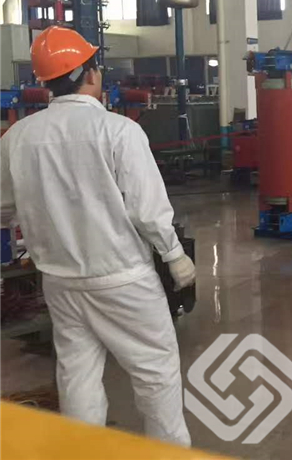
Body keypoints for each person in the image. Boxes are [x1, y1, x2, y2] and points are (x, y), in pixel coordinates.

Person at [0, 27, 195, 446]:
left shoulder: (17, 138)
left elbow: (2, 208)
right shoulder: (119, 131)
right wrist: (175, 255)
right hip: (123, 280)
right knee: (156, 374)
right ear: (90, 73)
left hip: (60, 282)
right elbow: (147, 210)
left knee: (77, 373)